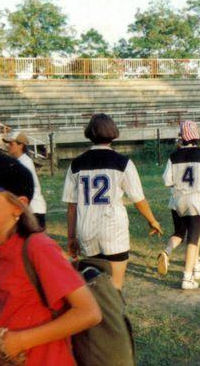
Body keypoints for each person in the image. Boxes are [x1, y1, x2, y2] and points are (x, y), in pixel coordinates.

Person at [0, 153, 102, 364]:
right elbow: (16, 310)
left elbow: (89, 312)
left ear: (17, 206)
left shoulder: (38, 247)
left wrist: (19, 341)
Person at [62, 113, 162, 290]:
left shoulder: (76, 164)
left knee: (95, 287)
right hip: (113, 229)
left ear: (90, 134)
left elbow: (72, 206)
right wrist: (152, 221)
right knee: (115, 286)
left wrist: (71, 237)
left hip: (87, 230)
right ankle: (113, 315)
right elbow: (138, 199)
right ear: (113, 133)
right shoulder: (123, 162)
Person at [157, 121, 200, 290]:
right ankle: (188, 277)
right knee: (194, 236)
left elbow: (167, 180)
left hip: (178, 200)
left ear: (182, 137)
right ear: (196, 136)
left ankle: (168, 252)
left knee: (180, 232)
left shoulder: (173, 156)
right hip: (197, 201)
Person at [4, 131, 47, 229]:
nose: (8, 146)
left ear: (20, 145)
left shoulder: (25, 163)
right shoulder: (20, 161)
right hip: (28, 209)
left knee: (34, 243)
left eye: (11, 144)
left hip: (33, 210)